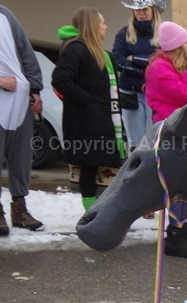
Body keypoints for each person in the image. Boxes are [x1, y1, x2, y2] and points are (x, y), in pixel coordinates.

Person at [145, 20, 187, 258]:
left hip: (183, 129)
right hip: (170, 132)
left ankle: (183, 230)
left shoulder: (173, 66)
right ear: (176, 46)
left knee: (186, 183)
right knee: (175, 185)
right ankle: (174, 236)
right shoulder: (159, 68)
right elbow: (185, 94)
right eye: (185, 44)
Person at [52, 7, 127, 212]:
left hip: (102, 119)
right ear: (92, 25)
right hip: (87, 121)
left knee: (100, 164)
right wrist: (88, 101)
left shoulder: (102, 55)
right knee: (90, 165)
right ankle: (91, 209)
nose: (105, 26)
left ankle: (102, 208)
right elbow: (60, 79)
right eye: (102, 22)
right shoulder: (77, 49)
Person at [0, 5, 44, 235]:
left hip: (18, 98)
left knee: (21, 157)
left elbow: (25, 51)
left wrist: (35, 88)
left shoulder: (5, 14)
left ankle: (19, 208)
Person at [112, 0, 163, 150]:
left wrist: (133, 59)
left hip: (155, 93)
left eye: (144, 9)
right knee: (136, 144)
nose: (140, 13)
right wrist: (148, 66)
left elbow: (165, 61)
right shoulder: (124, 33)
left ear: (153, 10)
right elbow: (118, 61)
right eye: (137, 10)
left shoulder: (163, 32)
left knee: (155, 140)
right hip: (130, 93)